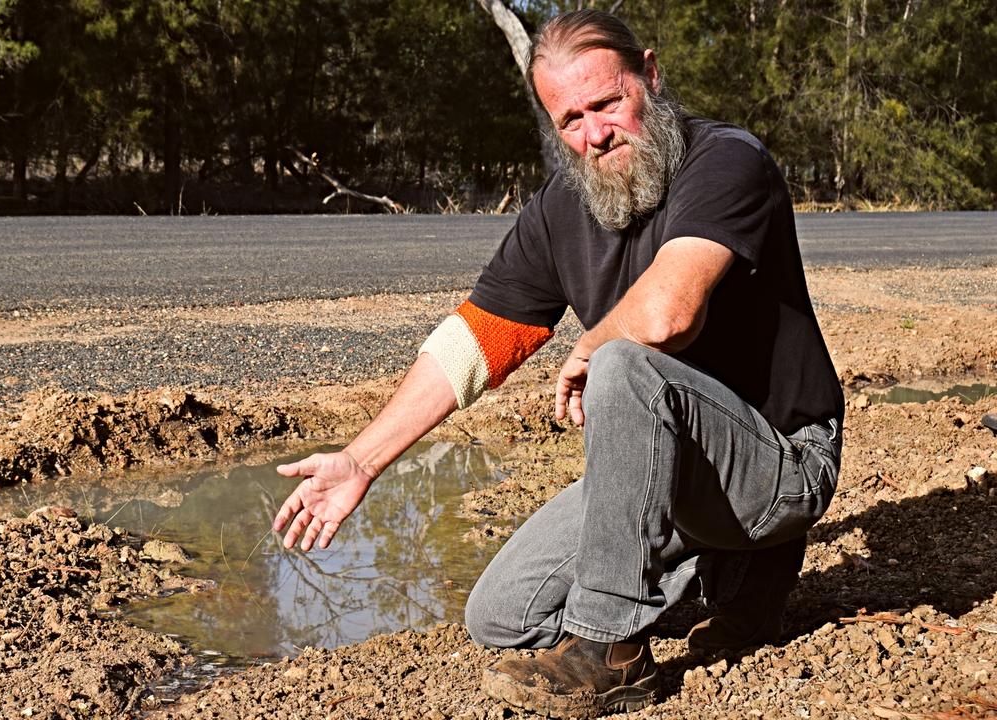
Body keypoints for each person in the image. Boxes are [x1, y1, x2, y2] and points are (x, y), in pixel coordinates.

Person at [272, 8, 844, 718]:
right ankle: (725, 573)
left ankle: (613, 650)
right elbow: (476, 340)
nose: (594, 134)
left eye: (608, 103)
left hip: (778, 461)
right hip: (674, 473)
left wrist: (588, 347)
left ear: (651, 76)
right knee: (501, 617)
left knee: (624, 367)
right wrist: (362, 460)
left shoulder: (727, 159)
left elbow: (670, 312)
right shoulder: (562, 209)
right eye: (570, 119)